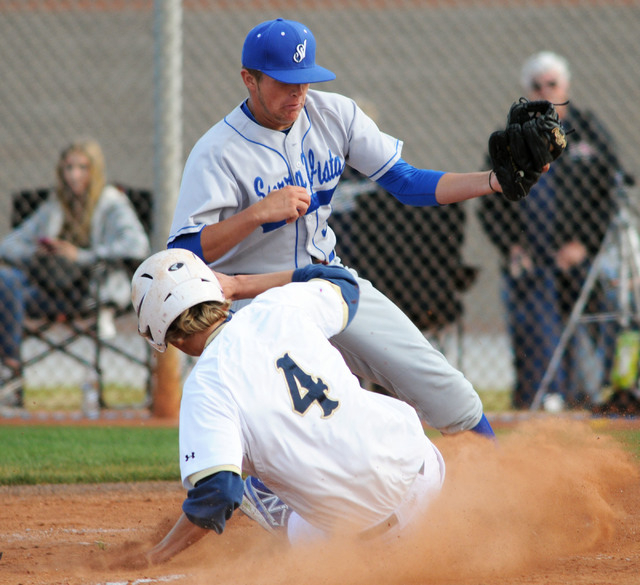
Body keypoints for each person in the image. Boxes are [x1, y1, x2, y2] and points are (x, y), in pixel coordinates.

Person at [130, 249, 446, 564]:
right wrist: (241, 285)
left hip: (369, 542)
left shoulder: (204, 387)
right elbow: (342, 280)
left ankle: (282, 511)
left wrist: (156, 555)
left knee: (253, 483)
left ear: (166, 336)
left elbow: (219, 495)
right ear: (213, 290)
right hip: (426, 471)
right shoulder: (278, 305)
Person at [478, 51, 628, 410]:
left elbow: (608, 197)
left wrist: (584, 245)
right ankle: (541, 394)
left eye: (552, 85)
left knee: (603, 304)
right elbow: (489, 205)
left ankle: (593, 392)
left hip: (581, 257)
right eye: (536, 86)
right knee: (533, 303)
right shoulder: (510, 140)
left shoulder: (589, 133)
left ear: (566, 87)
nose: (545, 92)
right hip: (531, 258)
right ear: (526, 91)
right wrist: (512, 248)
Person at [0, 139, 150, 406]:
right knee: (5, 280)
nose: (74, 174)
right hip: (49, 287)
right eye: (68, 167)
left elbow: (136, 244)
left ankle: (11, 370)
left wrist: (79, 256)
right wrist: (38, 252)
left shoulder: (111, 202)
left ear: (95, 170)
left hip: (90, 292)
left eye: (82, 167)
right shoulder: (55, 205)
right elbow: (8, 245)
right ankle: (12, 367)